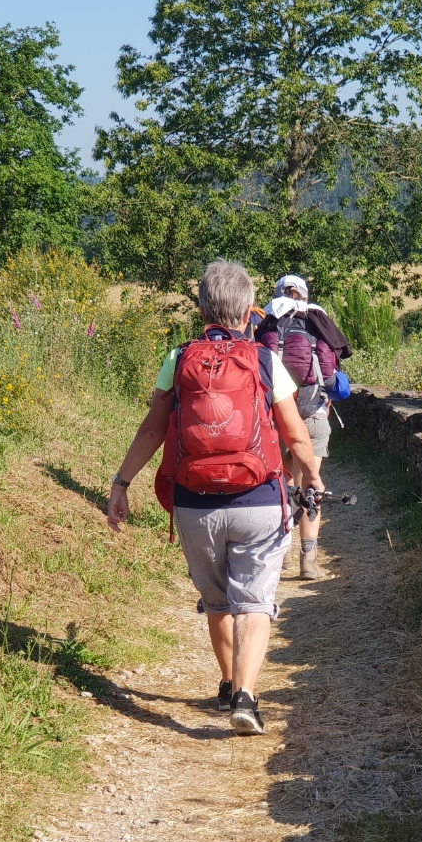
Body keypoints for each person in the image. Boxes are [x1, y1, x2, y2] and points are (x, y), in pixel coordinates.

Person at [106, 260, 324, 736]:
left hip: (194, 503)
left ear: (202, 307)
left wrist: (121, 484)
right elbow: (295, 434)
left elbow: (153, 429)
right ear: (249, 312)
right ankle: (245, 695)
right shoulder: (266, 362)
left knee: (218, 601)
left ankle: (227, 682)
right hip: (260, 500)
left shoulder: (178, 357)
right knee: (255, 602)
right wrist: (312, 478)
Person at [255, 274, 351, 579]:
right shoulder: (319, 322)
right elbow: (335, 378)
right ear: (305, 294)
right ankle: (308, 561)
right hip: (313, 415)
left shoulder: (268, 322)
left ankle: (280, 555)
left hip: (274, 418)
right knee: (312, 484)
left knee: (278, 485)